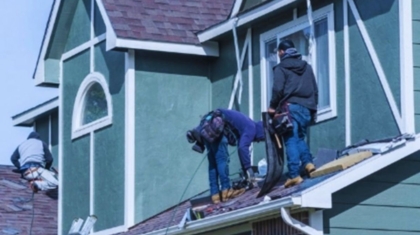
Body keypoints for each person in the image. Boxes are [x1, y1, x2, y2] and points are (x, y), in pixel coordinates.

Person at [268, 39, 318, 188]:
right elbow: (315, 89)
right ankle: (308, 163)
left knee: (290, 139)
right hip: (307, 108)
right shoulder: (307, 67)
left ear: (282, 52)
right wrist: (313, 109)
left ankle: (294, 175)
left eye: (278, 52)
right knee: (299, 137)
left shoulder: (281, 68)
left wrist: (272, 107)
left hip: (290, 107)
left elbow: (277, 89)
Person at [187, 109, 265, 204]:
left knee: (212, 164)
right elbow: (242, 147)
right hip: (216, 127)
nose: (257, 141)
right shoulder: (252, 128)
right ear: (261, 133)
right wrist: (248, 169)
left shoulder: (246, 123)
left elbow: (239, 144)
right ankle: (226, 190)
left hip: (208, 127)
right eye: (259, 139)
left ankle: (215, 195)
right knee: (221, 160)